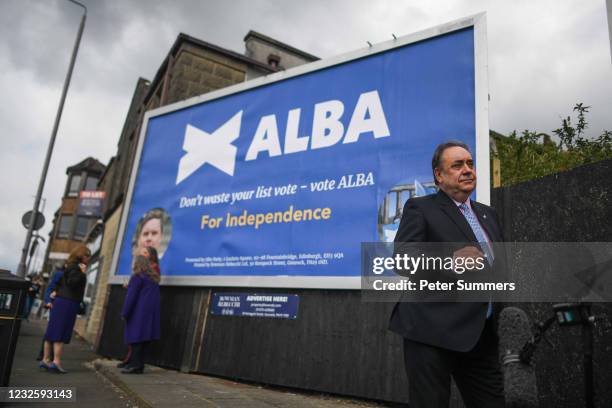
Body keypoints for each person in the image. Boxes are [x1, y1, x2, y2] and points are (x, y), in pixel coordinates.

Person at [388, 141, 505, 407]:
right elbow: (403, 259)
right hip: (432, 332)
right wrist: (449, 261)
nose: (467, 170)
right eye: (457, 165)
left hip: (481, 335)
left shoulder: (489, 215)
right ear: (439, 175)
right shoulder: (421, 208)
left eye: (470, 164)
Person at [40, 245, 90, 374]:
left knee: (52, 332)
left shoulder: (69, 266)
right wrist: (83, 274)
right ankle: (56, 362)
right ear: (81, 255)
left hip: (61, 301)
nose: (88, 258)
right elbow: (73, 283)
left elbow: (60, 284)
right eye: (87, 255)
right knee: (60, 333)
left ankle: (45, 360)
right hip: (68, 303)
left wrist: (54, 294)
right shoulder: (76, 268)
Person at [117, 246, 160, 368]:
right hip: (150, 312)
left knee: (135, 338)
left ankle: (135, 366)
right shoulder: (153, 277)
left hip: (138, 312)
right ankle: (138, 364)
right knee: (145, 338)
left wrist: (125, 312)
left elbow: (131, 297)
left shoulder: (137, 277)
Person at [36, 265, 65, 361]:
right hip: (56, 304)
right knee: (52, 329)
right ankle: (44, 355)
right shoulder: (60, 274)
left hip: (63, 305)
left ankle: (49, 356)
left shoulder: (74, 276)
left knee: (56, 330)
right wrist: (48, 301)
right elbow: (51, 288)